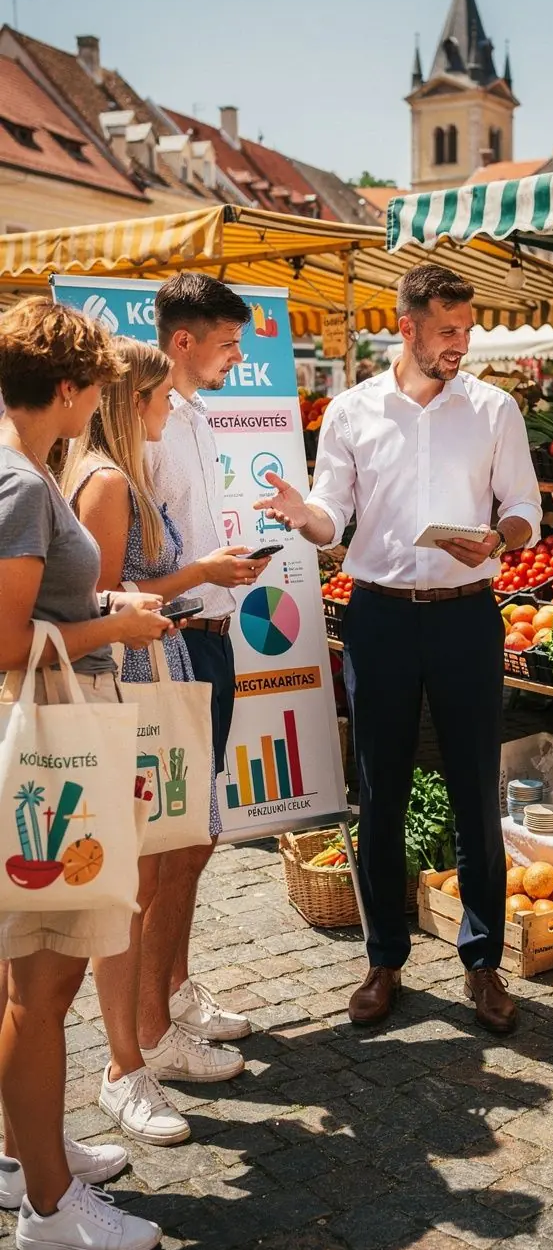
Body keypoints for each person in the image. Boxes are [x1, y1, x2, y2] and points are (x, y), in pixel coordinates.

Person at [254, 264, 542, 1033]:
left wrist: (500, 537)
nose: (461, 344)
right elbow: (330, 513)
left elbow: (524, 507)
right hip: (378, 616)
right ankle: (383, 959)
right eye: (447, 330)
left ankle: (483, 962)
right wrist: (303, 516)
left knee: (476, 790)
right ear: (406, 327)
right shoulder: (351, 410)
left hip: (466, 615)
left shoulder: (494, 408)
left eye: (467, 330)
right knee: (379, 792)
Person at [0, 298, 171, 1250]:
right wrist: (119, 626)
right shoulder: (22, 482)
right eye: (93, 388)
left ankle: (29, 1156)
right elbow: (5, 640)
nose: (97, 404)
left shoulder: (21, 471)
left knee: (30, 973)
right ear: (66, 388)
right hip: (52, 741)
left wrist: (101, 598)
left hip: (52, 734)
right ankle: (49, 1207)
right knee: (44, 979)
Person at [63, 339, 249, 1144]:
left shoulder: (117, 474)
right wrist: (195, 574)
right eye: (164, 397)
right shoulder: (108, 481)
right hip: (133, 683)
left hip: (153, 675)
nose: (173, 408)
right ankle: (126, 1059)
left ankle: (147, 1035)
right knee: (137, 877)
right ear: (133, 399)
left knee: (163, 858)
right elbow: (102, 599)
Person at [143, 274, 271, 1057]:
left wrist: (225, 566)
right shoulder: (146, 423)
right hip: (176, 639)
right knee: (176, 842)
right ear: (183, 341)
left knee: (197, 838)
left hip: (212, 634)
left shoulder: (194, 416)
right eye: (227, 344)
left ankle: (175, 988)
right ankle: (151, 1020)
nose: (237, 357)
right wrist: (202, 575)